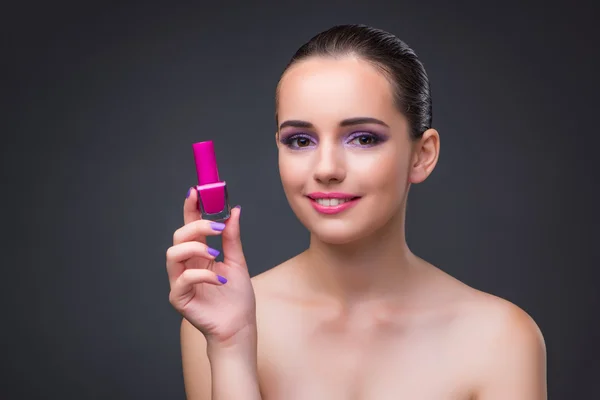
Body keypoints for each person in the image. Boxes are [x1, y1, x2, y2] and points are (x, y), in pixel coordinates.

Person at [166, 24, 547, 400]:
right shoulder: (218, 316)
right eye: (300, 140)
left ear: (422, 154)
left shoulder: (500, 338)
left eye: (363, 138)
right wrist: (231, 348)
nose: (326, 168)